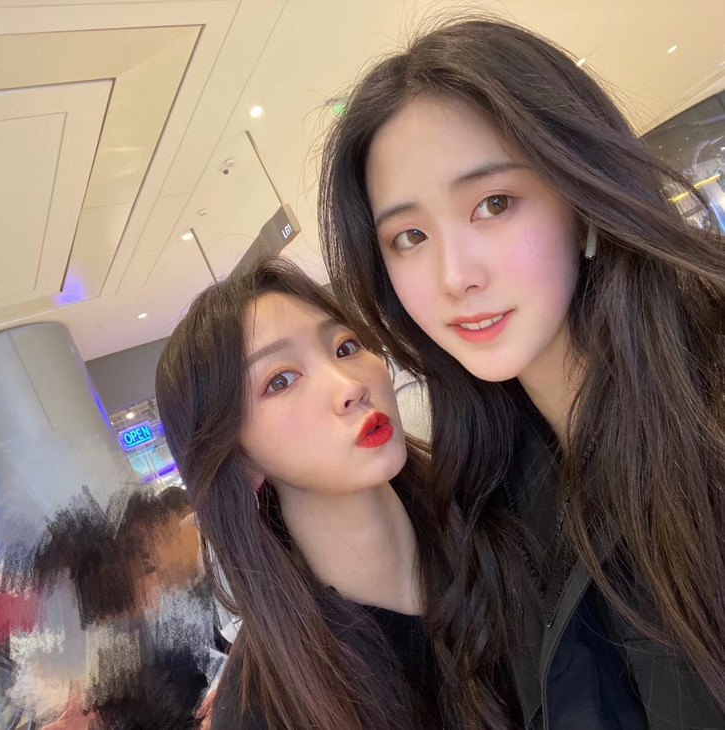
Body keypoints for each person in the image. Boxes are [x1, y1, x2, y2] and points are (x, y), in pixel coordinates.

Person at [319, 17, 725, 730]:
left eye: (494, 204)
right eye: (410, 237)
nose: (454, 276)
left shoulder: (705, 409)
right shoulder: (485, 490)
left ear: (582, 199)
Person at [155, 257, 472, 730]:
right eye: (280, 381)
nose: (351, 387)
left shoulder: (496, 518)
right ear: (239, 460)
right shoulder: (265, 710)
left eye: (346, 347)